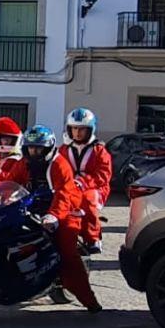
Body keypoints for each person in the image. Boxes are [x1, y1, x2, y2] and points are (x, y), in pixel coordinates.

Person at [0, 125, 101, 312]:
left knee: (67, 253)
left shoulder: (60, 164)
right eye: (30, 148)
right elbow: (10, 183)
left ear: (49, 148)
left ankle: (88, 299)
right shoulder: (23, 163)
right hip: (32, 206)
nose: (34, 152)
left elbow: (64, 194)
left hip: (65, 210)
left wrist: (54, 215)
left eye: (39, 148)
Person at [59, 107, 112, 256]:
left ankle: (93, 238)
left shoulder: (99, 150)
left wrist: (83, 182)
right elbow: (57, 168)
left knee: (88, 200)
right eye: (74, 128)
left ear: (90, 130)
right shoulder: (63, 149)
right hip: (70, 186)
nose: (77, 133)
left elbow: (103, 175)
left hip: (96, 188)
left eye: (82, 129)